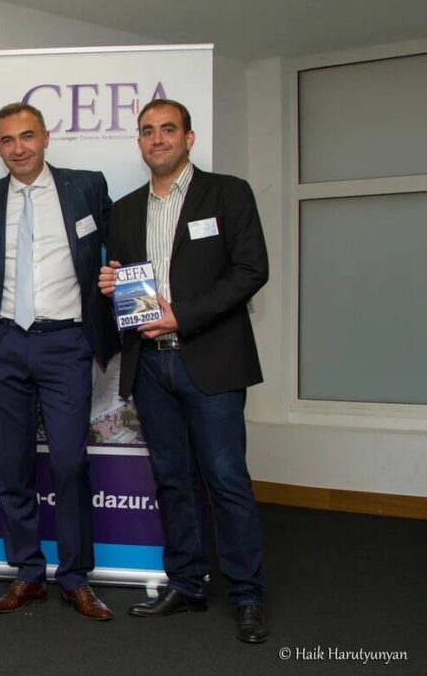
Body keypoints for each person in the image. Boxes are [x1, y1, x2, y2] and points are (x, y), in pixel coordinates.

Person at [98, 98, 270, 644]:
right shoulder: (124, 210)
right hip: (150, 365)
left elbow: (251, 269)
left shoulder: (228, 193)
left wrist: (183, 315)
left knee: (226, 481)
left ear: (188, 138)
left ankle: (246, 595)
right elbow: (132, 284)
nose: (157, 139)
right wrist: (114, 284)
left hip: (211, 361)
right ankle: (187, 583)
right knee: (172, 481)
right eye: (147, 131)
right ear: (140, 141)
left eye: (168, 129)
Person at [0, 103, 120, 620]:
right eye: (7, 140)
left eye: (27, 136)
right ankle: (27, 573)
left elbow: (116, 246)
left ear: (46, 138)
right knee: (11, 465)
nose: (19, 147)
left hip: (66, 343)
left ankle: (75, 577)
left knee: (70, 461)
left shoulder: (86, 187)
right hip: (6, 343)